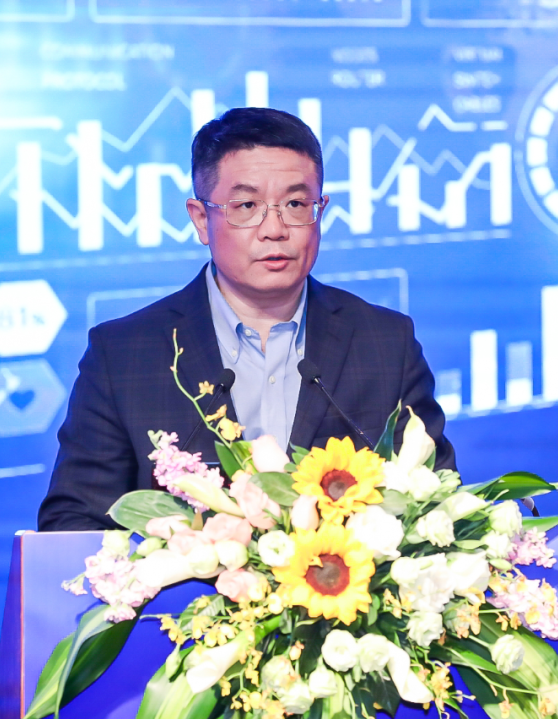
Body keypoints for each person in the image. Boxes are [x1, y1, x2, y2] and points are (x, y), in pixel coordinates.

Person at [38, 108, 455, 531]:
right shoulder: (124, 355)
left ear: (321, 212)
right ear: (202, 219)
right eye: (247, 205)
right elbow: (73, 524)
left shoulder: (386, 343)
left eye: (296, 204)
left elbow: (436, 506)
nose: (274, 228)